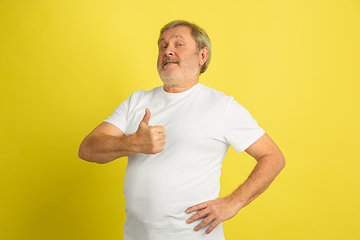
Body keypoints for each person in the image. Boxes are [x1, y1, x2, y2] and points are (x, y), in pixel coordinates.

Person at [78, 20, 285, 240]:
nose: (167, 51)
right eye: (162, 45)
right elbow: (87, 149)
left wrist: (233, 203)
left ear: (202, 56)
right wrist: (133, 144)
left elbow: (273, 157)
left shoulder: (222, 106)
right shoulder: (136, 102)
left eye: (178, 44)